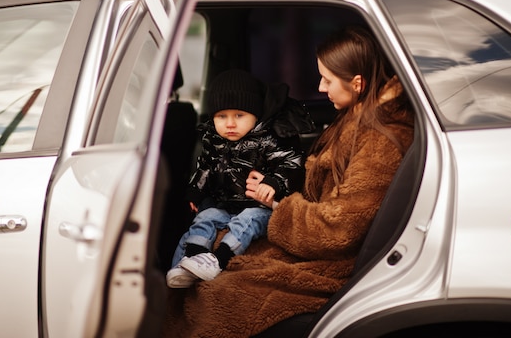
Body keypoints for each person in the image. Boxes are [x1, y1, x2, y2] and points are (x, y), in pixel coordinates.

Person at [162, 26, 415, 337]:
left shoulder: (379, 140)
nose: (321, 87)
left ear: (358, 83)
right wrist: (273, 187)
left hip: (332, 260)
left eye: (328, 80)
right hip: (308, 240)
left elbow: (340, 228)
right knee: (208, 257)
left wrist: (276, 205)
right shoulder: (356, 118)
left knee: (219, 294)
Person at [165, 68, 307, 288]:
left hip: (258, 206)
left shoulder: (268, 138)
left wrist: (274, 182)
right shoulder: (213, 139)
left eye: (239, 116)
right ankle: (193, 258)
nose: (229, 124)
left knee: (247, 219)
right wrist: (196, 190)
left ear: (255, 115)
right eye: (222, 116)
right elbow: (205, 168)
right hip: (224, 204)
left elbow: (291, 163)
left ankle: (219, 258)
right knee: (206, 216)